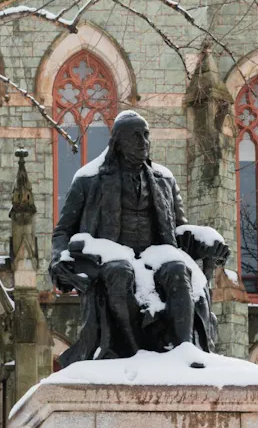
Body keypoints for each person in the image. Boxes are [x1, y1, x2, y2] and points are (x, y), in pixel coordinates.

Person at [49, 111, 225, 365]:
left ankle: (186, 351)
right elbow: (63, 230)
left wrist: (207, 243)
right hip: (111, 254)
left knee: (177, 269)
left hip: (157, 254)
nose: (144, 142)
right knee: (120, 273)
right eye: (136, 136)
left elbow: (179, 231)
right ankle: (134, 352)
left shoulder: (164, 180)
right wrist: (58, 259)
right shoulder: (89, 180)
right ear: (118, 142)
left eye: (146, 135)